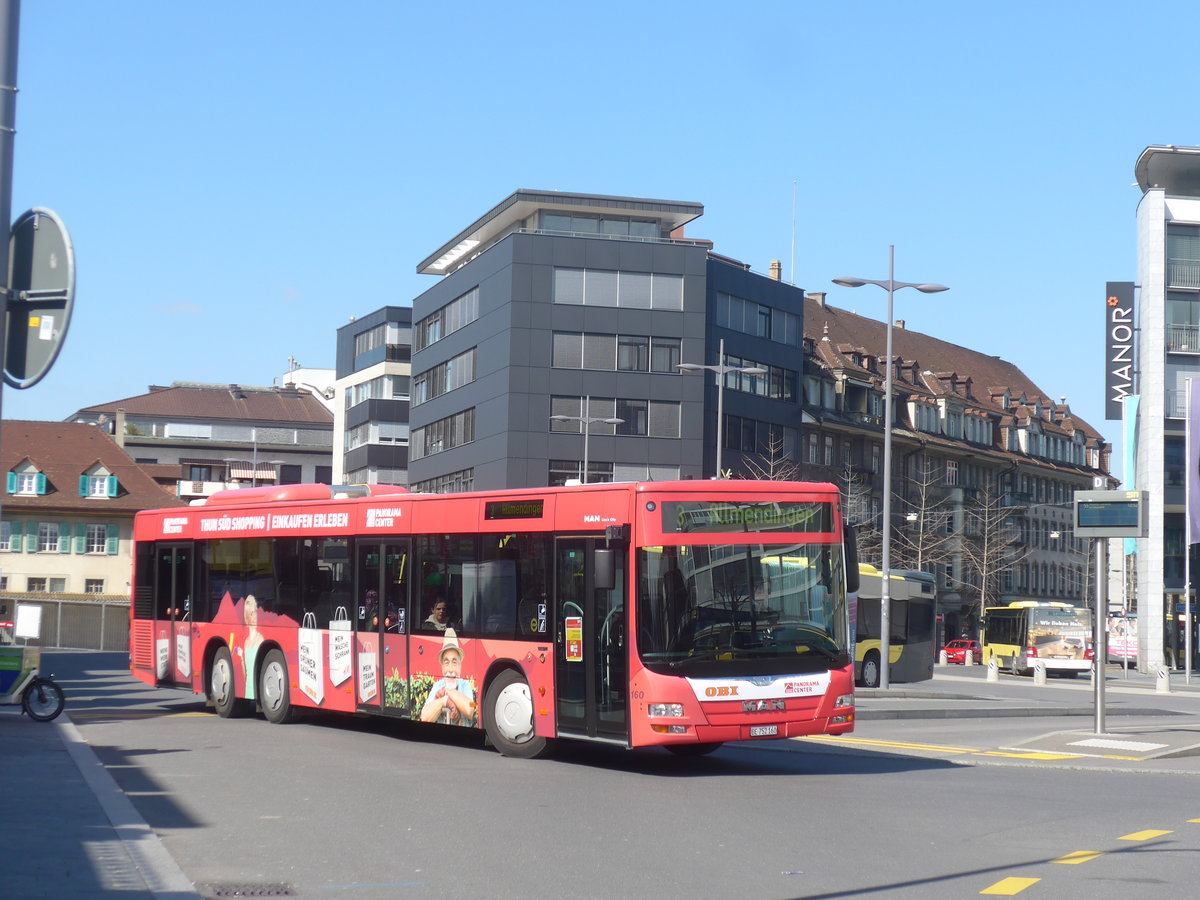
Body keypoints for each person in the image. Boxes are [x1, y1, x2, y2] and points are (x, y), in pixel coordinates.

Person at [420, 629, 475, 726]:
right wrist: (444, 700)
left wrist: (448, 691)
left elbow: (471, 708)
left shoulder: (466, 685)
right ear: (442, 667)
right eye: (446, 663)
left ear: (460, 666)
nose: (450, 669)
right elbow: (424, 716)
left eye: (454, 662)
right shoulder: (438, 686)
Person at [239, 594, 264, 700]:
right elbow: (246, 677)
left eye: (255, 613)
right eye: (251, 614)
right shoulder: (245, 642)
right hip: (248, 692)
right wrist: (241, 659)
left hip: (256, 691)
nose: (254, 617)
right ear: (247, 616)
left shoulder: (260, 639)